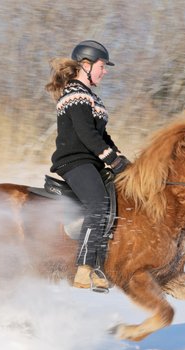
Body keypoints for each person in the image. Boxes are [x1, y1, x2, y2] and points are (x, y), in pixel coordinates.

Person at [45, 40, 130, 291]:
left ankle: (102, 265)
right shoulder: (75, 93)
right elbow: (85, 133)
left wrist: (121, 159)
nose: (105, 72)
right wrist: (110, 159)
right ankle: (83, 269)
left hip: (92, 160)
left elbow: (101, 135)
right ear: (86, 65)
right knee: (98, 203)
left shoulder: (91, 96)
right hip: (75, 161)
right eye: (102, 66)